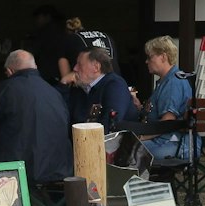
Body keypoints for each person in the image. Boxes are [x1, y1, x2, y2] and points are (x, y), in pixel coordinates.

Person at [0, 50, 71, 189]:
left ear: (9, 71)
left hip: (16, 170)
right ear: (35, 67)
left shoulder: (8, 88)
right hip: (57, 169)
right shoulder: (54, 92)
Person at [135, 36, 197, 166]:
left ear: (163, 57)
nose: (146, 61)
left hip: (170, 143)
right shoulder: (169, 80)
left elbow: (167, 122)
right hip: (170, 141)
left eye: (150, 57)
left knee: (127, 151)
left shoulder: (173, 83)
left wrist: (141, 137)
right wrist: (139, 106)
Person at [62, 45, 137, 130]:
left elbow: (111, 124)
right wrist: (63, 84)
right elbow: (62, 115)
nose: (75, 68)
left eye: (80, 64)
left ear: (96, 67)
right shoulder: (80, 88)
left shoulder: (115, 85)